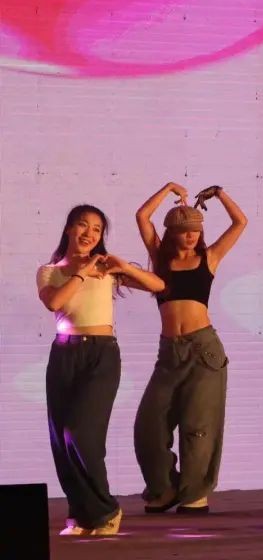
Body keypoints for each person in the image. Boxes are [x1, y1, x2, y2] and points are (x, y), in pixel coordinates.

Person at [37, 205, 165, 536]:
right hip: (64, 354)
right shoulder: (49, 271)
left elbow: (158, 285)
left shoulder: (106, 269)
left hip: (101, 355)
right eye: (83, 226)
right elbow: (54, 303)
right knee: (61, 440)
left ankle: (106, 509)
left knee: (81, 433)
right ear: (69, 229)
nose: (90, 234)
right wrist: (82, 272)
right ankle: (82, 515)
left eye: (97, 229)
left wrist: (123, 267)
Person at [133, 182, 247, 514]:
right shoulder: (160, 259)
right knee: (149, 425)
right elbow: (142, 216)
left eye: (196, 231)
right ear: (172, 234)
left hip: (203, 350)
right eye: (184, 231)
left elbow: (240, 222)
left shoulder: (208, 258)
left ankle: (195, 492)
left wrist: (220, 194)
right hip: (169, 352)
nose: (191, 236)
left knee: (199, 426)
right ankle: (165, 488)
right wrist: (168, 187)